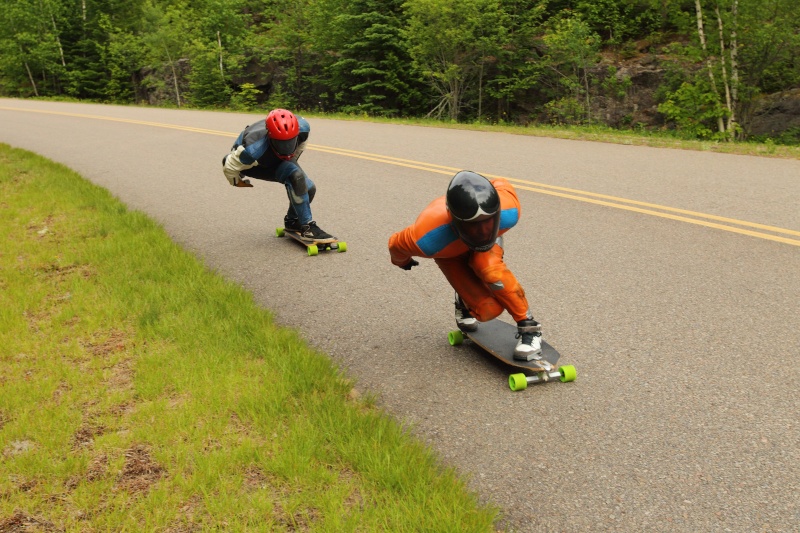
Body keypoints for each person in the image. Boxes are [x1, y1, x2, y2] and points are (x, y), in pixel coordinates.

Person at [388, 170, 542, 360]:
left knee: (491, 270)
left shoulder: (509, 212)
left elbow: (501, 182)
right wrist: (402, 262)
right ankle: (464, 301)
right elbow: (395, 243)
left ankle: (530, 329)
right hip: (449, 253)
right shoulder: (428, 238)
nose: (483, 232)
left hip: (481, 249)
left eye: (488, 223)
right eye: (473, 226)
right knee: (487, 311)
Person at [221, 109, 334, 242]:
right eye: (281, 143)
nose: (286, 147)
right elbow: (228, 165)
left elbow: (299, 148)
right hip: (255, 165)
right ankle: (307, 228)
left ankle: (292, 222)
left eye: (290, 142)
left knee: (309, 188)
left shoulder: (303, 128)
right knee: (296, 177)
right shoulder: (251, 152)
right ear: (270, 136)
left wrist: (292, 165)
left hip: (274, 157)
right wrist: (236, 181)